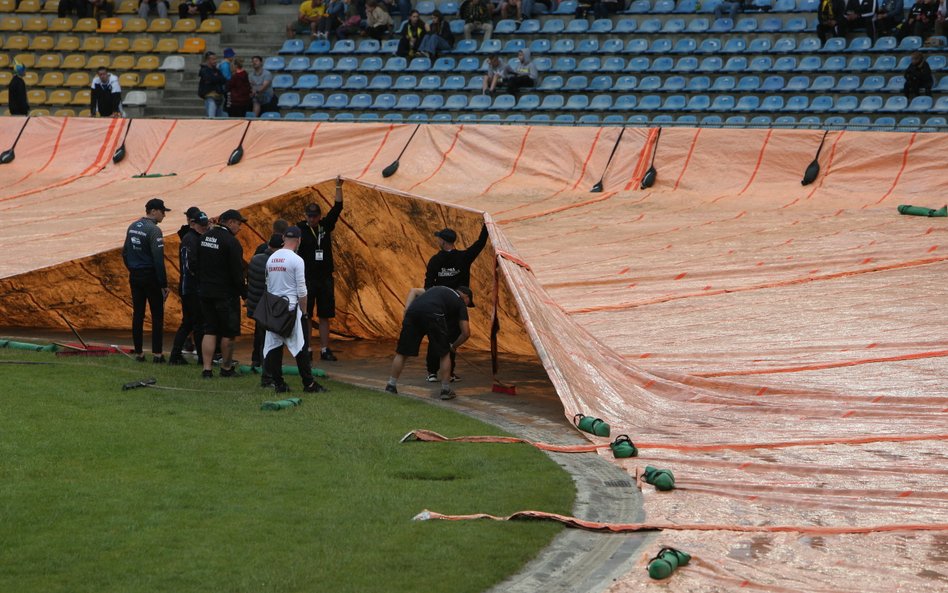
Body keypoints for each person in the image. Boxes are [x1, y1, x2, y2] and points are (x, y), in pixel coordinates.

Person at [262, 226, 329, 394]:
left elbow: (268, 285)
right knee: (300, 347)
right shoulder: (296, 260)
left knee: (274, 347)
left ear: (284, 238)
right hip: (291, 309)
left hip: (273, 308)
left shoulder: (271, 258)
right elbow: (302, 291)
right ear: (299, 240)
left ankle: (279, 384)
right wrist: (305, 312)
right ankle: (309, 384)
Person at [422, 224, 489, 383]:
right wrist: (486, 227)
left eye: (438, 237)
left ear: (443, 241)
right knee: (452, 337)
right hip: (457, 305)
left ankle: (432, 372)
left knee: (435, 336)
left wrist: (432, 301)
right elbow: (480, 244)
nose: (437, 239)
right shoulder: (464, 257)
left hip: (439, 305)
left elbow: (428, 284)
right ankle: (449, 373)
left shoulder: (435, 260)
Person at [385, 285, 474, 400]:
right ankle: (446, 390)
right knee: (444, 353)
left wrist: (407, 309)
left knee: (402, 352)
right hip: (434, 314)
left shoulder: (437, 289)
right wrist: (453, 346)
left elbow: (413, 291)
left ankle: (391, 385)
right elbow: (466, 333)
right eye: (469, 303)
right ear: (465, 296)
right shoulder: (460, 302)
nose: (467, 306)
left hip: (413, 312)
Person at [296, 176, 344, 362]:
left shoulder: (325, 226)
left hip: (324, 278)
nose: (312, 219)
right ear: (305, 215)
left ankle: (325, 349)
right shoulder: (299, 229)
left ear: (319, 216)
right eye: (309, 215)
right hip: (306, 278)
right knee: (306, 314)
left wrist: (338, 186)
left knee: (325, 315)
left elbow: (338, 207)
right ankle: (306, 348)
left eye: (315, 216)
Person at [197, 209, 248, 379]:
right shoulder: (231, 242)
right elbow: (237, 273)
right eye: (238, 224)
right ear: (230, 222)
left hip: (205, 291)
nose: (239, 228)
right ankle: (226, 368)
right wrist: (245, 294)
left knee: (210, 330)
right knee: (228, 333)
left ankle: (207, 369)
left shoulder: (204, 238)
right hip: (225, 294)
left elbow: (196, 263)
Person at [122, 198, 171, 363]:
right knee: (157, 315)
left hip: (135, 275)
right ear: (154, 211)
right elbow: (158, 260)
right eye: (163, 211)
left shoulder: (132, 226)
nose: (164, 215)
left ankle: (139, 353)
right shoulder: (154, 230)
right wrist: (163, 284)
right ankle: (157, 354)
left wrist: (133, 269)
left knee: (138, 314)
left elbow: (125, 252)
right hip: (150, 276)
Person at [169, 207, 209, 365]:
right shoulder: (190, 239)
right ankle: (199, 357)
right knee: (195, 324)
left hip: (193, 287)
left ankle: (176, 355)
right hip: (191, 289)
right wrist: (203, 276)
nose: (204, 227)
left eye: (205, 225)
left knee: (189, 323)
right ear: (193, 223)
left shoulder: (197, 237)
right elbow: (190, 265)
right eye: (202, 225)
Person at [247, 232, 283, 384]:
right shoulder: (274, 263)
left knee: (259, 335)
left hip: (255, 305)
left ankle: (256, 360)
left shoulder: (256, 259)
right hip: (267, 306)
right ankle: (267, 373)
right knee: (268, 340)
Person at [198, 51, 226, 118]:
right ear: (208, 60)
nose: (215, 61)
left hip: (219, 96)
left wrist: (215, 78)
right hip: (210, 97)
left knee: (219, 119)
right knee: (211, 118)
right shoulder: (204, 70)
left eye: (216, 59)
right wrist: (216, 78)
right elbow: (210, 79)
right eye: (213, 59)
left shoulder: (217, 70)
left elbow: (223, 80)